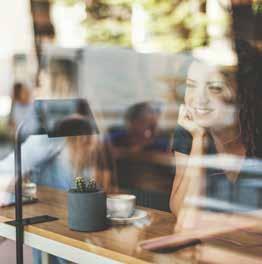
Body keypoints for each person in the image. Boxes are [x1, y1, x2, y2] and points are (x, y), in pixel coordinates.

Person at [169, 40, 262, 227]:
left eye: (215, 88)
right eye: (191, 85)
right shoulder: (189, 131)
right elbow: (181, 210)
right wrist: (198, 140)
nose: (199, 98)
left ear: (242, 95)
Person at [0, 117, 116, 264]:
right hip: (53, 220)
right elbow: (8, 169)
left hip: (80, 222)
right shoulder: (50, 141)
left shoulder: (94, 152)